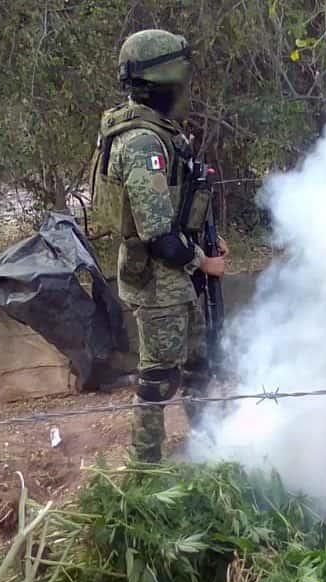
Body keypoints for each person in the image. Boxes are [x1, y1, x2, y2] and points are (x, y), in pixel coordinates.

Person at [91, 29, 228, 462]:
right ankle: (145, 469)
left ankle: (209, 448)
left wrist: (205, 238)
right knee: (157, 380)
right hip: (158, 280)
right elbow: (158, 236)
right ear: (161, 81)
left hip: (177, 277)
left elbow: (176, 208)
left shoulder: (156, 131)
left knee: (198, 367)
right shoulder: (143, 142)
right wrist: (204, 262)